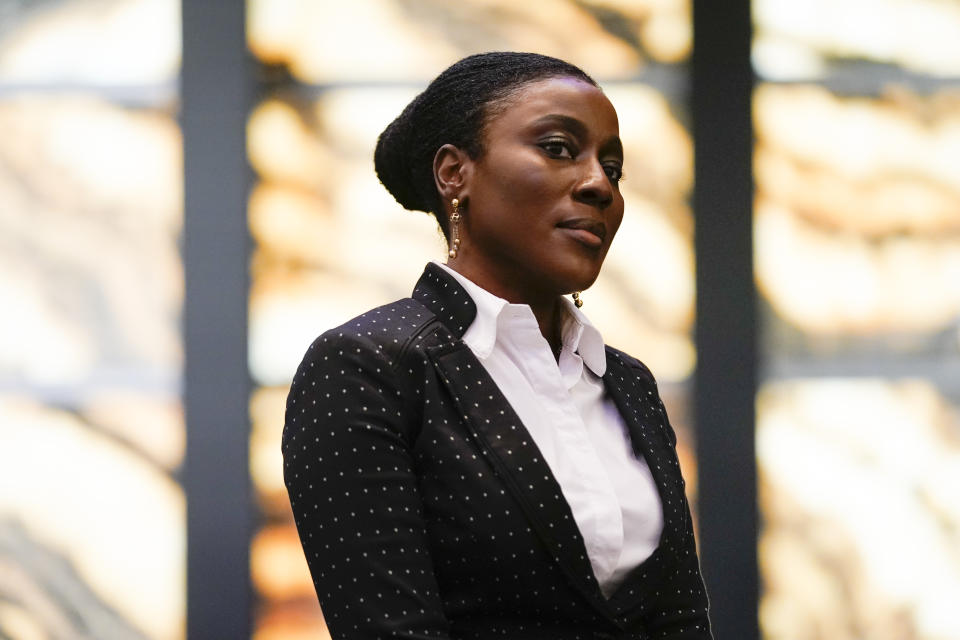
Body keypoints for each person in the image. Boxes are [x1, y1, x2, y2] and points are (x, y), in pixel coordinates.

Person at [282, 52, 712, 639]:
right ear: (454, 173)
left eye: (613, 168)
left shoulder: (627, 382)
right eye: (559, 148)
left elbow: (681, 619)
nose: (599, 185)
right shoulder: (369, 367)